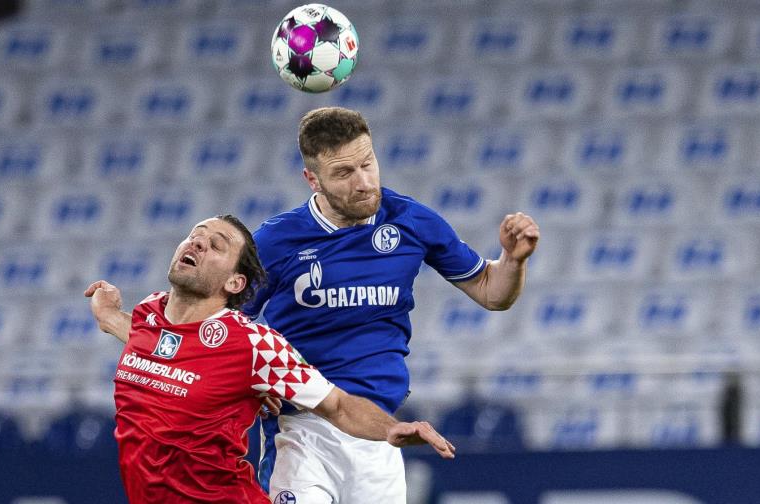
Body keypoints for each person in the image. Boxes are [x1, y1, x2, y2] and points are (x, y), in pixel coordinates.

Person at [94, 108, 539, 503]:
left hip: (379, 431)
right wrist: (256, 382)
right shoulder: (277, 240)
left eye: (368, 164)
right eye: (344, 172)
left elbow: (490, 291)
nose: (364, 181)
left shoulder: (413, 221)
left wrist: (513, 262)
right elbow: (201, 328)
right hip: (301, 428)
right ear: (314, 179)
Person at [84, 214, 455, 504]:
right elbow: (147, 340)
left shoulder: (254, 346)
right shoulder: (150, 314)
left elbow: (337, 405)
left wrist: (390, 429)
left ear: (235, 283)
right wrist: (106, 312)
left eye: (217, 245)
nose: (198, 242)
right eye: (195, 234)